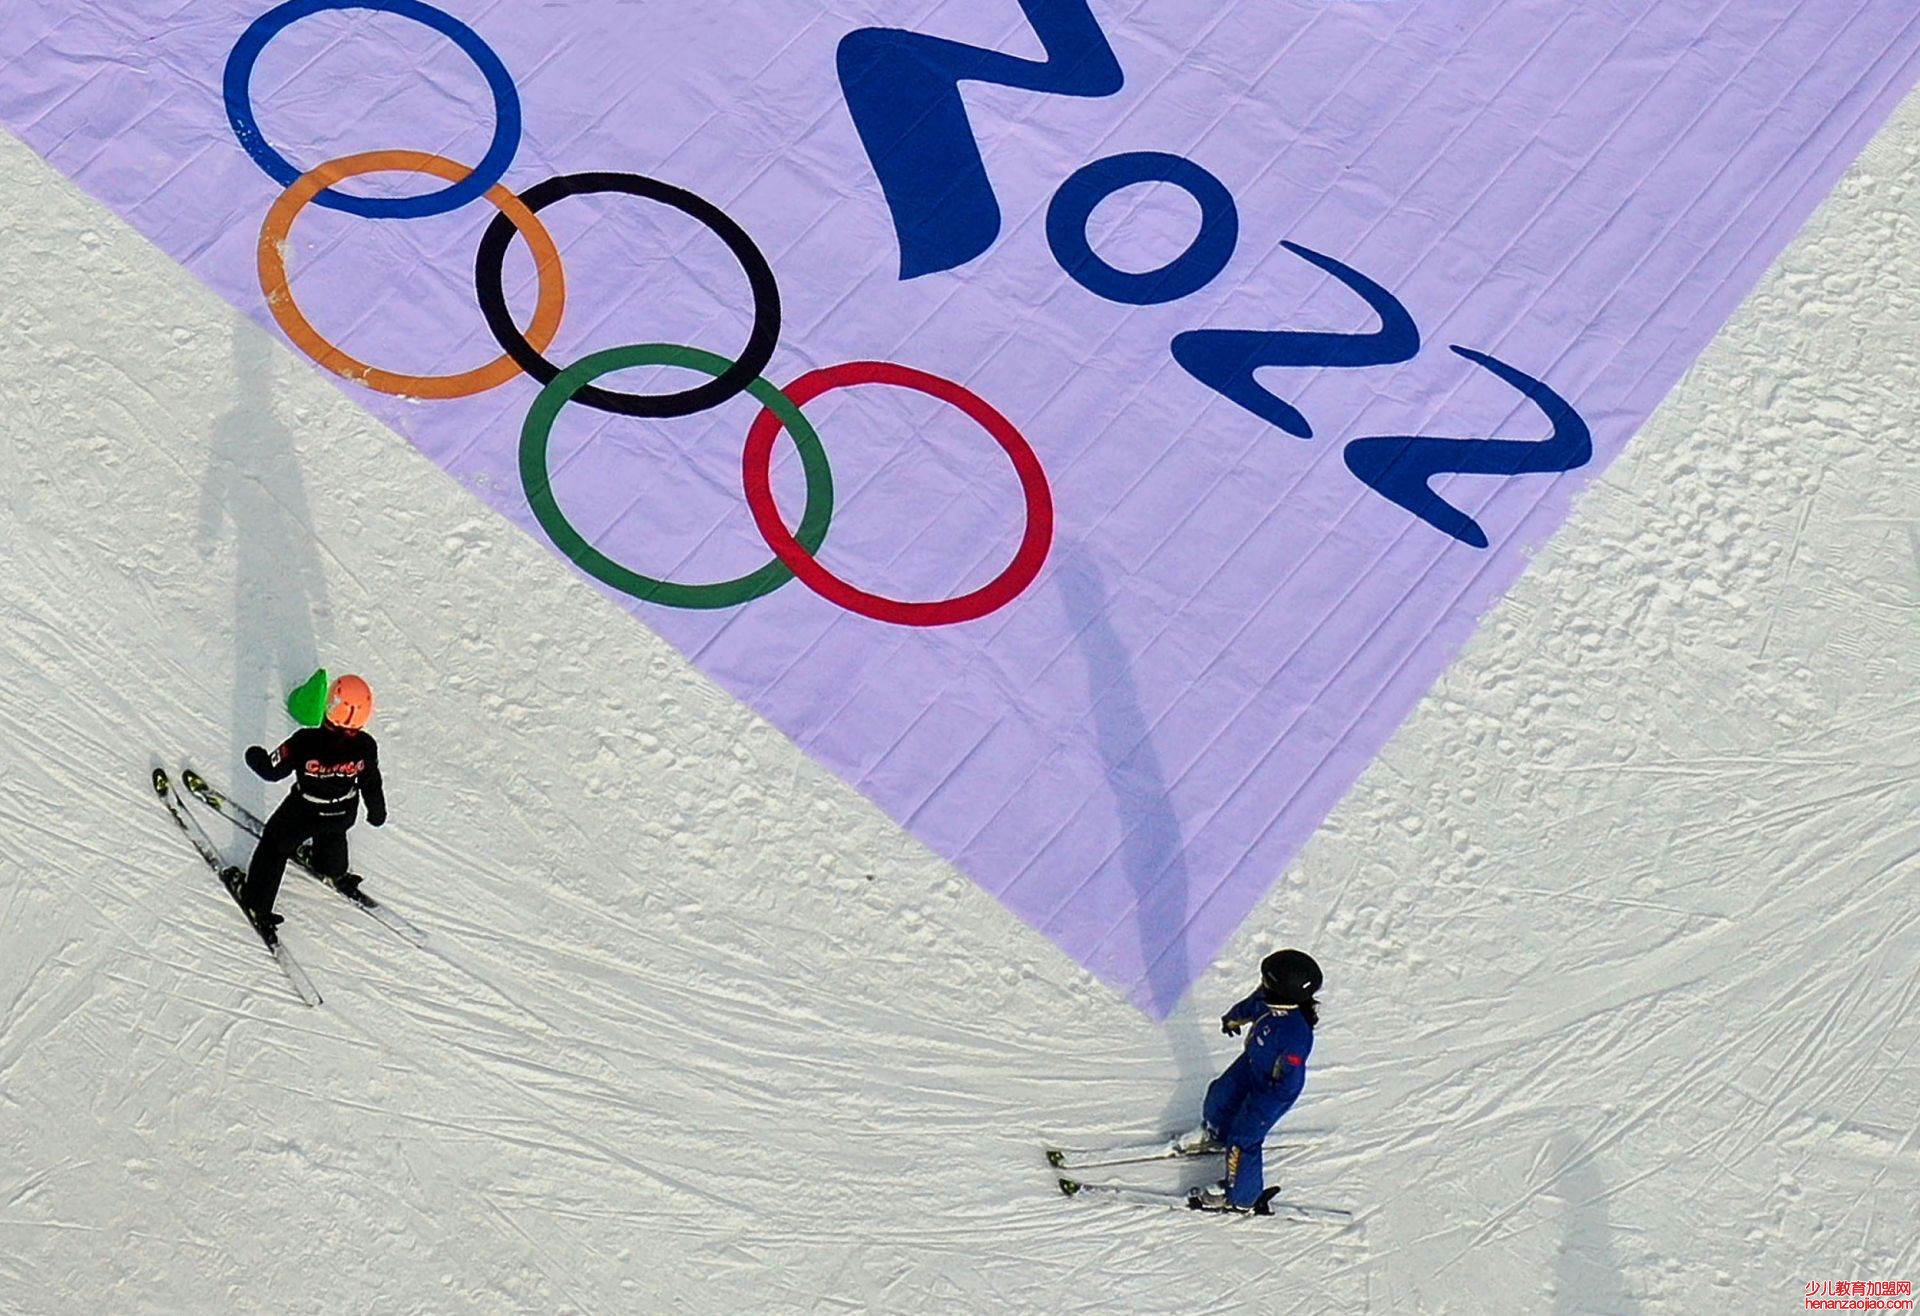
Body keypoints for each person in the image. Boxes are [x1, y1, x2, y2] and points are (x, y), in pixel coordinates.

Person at [239, 674, 386, 930]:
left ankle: (256, 902)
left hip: (303, 811)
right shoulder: (366, 746)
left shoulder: (304, 742)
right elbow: (370, 781)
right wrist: (376, 811)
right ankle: (332, 868)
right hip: (343, 810)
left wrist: (255, 756)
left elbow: (271, 771)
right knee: (334, 835)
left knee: (274, 845)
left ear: (330, 705)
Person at [1190, 948, 1321, 1214]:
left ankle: (1241, 1198)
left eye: (1266, 981)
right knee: (1219, 1096)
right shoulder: (1272, 999)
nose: (1261, 984)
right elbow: (1253, 1004)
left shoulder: (1296, 1035)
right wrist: (1232, 1019)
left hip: (1273, 1091)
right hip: (1252, 1063)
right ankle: (1217, 1135)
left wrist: (1263, 1105)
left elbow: (1289, 1078)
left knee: (1244, 1138)